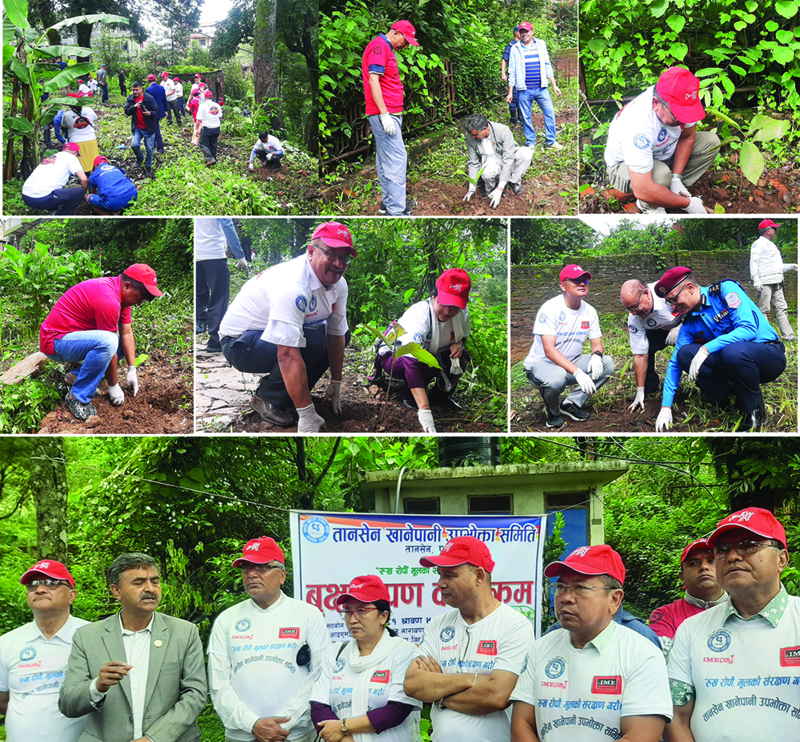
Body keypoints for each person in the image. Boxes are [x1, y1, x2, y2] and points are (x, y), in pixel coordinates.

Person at [510, 545, 672, 742]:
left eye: (580, 587)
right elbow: (522, 725)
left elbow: (639, 738)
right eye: (560, 587)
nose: (566, 598)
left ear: (614, 599)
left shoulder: (642, 654)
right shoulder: (540, 648)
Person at [665, 508, 800, 742]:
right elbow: (677, 716)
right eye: (723, 550)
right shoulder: (691, 630)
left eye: (749, 546)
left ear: (782, 560)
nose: (733, 556)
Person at [219, 222, 354, 432]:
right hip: (240, 343)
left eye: (344, 257)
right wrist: (307, 416)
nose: (338, 263)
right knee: (314, 341)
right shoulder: (293, 286)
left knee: (341, 335)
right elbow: (287, 354)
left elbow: (337, 334)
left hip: (269, 338)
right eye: (331, 254)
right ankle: (268, 398)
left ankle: (294, 396)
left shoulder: (339, 284)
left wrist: (336, 382)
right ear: (311, 251)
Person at [58, 553, 207, 742]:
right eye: (138, 583)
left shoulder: (185, 633)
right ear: (116, 591)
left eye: (155, 581)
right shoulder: (87, 637)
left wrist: (153, 739)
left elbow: (195, 695)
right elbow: (68, 703)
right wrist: (98, 686)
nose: (150, 589)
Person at [403, 537, 534, 742]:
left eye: (450, 575)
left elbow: (497, 696)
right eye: (439, 575)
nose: (440, 583)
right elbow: (412, 684)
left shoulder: (515, 625)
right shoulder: (438, 625)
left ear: (479, 576)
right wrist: (472, 679)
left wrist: (438, 694)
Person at [208, 537, 331, 742]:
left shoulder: (308, 614)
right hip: (242, 735)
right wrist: (253, 724)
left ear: (282, 575)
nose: (252, 574)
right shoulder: (226, 619)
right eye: (246, 568)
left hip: (293, 735)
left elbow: (320, 674)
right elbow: (218, 684)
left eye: (263, 567)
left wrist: (282, 725)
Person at [652, 266, 786, 433]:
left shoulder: (725, 291)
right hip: (734, 362)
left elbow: (748, 329)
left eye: (673, 300)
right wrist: (665, 407)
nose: (673, 307)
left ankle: (754, 412)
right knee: (684, 354)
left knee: (733, 352)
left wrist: (706, 349)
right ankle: (727, 399)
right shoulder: (689, 321)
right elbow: (674, 364)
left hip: (767, 355)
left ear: (690, 288)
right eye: (669, 302)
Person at [39, 264, 162, 421]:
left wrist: (132, 369)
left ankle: (74, 377)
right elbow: (108, 346)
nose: (138, 303)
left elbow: (127, 333)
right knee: (109, 342)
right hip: (56, 342)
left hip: (73, 339)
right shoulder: (108, 299)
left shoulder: (122, 297)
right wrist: (113, 385)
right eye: (139, 298)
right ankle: (76, 397)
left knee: (121, 345)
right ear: (127, 286)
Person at [310, 575, 422, 742]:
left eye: (361, 611)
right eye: (348, 612)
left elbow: (398, 709)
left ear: (383, 616)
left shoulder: (404, 652)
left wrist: (343, 726)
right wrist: (345, 740)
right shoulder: (334, 653)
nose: (352, 619)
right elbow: (319, 706)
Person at [604, 66, 720, 214]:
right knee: (660, 176)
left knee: (710, 142)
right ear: (655, 103)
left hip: (663, 153)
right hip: (624, 166)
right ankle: (649, 204)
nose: (683, 121)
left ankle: (669, 190)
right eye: (678, 116)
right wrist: (689, 204)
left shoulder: (682, 97)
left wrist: (676, 178)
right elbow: (643, 189)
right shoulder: (638, 124)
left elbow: (688, 137)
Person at [373, 268, 472, 433]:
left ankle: (439, 397)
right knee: (417, 361)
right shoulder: (420, 314)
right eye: (444, 304)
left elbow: (463, 337)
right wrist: (424, 411)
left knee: (462, 358)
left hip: (433, 353)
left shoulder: (462, 313)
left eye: (454, 307)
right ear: (434, 296)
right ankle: (409, 394)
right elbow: (410, 357)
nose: (448, 311)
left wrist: (458, 345)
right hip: (396, 357)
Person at [0, 560, 89, 742]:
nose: (40, 589)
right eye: (32, 585)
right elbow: (3, 701)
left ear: (72, 595)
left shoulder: (93, 637)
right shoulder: (7, 642)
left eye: (51, 583)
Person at [523, 264, 616, 429]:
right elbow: (549, 351)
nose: (582, 283)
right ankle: (553, 411)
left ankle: (571, 403)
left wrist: (596, 356)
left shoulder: (590, 311)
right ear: (562, 285)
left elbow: (597, 344)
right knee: (556, 377)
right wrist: (578, 372)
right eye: (576, 280)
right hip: (543, 365)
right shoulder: (550, 309)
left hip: (570, 362)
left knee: (607, 364)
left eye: (585, 280)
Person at [362, 20, 419, 216]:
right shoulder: (379, 47)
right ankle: (396, 210)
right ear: (396, 34)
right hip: (384, 114)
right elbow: (373, 80)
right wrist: (385, 115)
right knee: (397, 158)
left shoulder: (385, 47)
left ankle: (388, 203)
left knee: (386, 158)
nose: (406, 45)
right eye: (406, 40)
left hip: (388, 113)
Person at [648, 538, 726, 657]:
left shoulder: (745, 609)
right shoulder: (665, 616)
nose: (703, 567)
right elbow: (662, 660)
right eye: (693, 563)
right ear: (682, 577)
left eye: (711, 561)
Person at [620, 278, 682, 411]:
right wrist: (639, 391)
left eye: (635, 307)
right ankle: (649, 387)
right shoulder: (634, 318)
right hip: (661, 329)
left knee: (686, 352)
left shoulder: (667, 291)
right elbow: (640, 354)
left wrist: (682, 328)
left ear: (647, 293)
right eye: (629, 309)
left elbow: (696, 304)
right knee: (646, 346)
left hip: (687, 322)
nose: (634, 313)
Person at [506, 22, 564, 151]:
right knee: (526, 116)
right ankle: (530, 141)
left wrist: (554, 86)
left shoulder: (541, 44)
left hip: (541, 88)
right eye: (522, 32)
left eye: (527, 31)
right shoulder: (515, 49)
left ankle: (550, 142)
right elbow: (512, 71)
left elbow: (547, 64)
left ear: (532, 31)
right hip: (524, 89)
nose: (524, 34)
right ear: (519, 34)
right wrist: (510, 92)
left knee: (549, 113)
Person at [195, 218, 247, 354]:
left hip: (197, 256)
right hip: (214, 255)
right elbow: (227, 225)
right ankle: (215, 342)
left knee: (199, 298)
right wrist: (240, 255)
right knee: (219, 298)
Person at [462, 112, 532, 208]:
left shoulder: (502, 130)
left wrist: (500, 189)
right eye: (472, 135)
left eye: (476, 135)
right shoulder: (471, 136)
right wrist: (472, 187)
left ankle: (514, 182)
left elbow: (508, 158)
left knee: (526, 153)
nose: (473, 137)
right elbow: (473, 162)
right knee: (487, 173)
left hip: (507, 157)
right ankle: (489, 189)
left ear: (485, 129)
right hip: (490, 161)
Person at [750, 218, 797, 341]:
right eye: (774, 229)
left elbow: (775, 267)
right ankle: (766, 336)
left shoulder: (771, 245)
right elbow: (754, 262)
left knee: (782, 307)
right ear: (768, 230)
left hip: (777, 280)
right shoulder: (758, 244)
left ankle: (788, 335)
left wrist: (790, 266)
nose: (775, 231)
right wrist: (755, 278)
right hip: (765, 282)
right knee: (764, 309)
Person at [21, 144, 88, 215]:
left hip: (26, 197)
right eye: (77, 155)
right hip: (40, 199)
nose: (77, 156)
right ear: (75, 152)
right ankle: (61, 215)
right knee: (79, 191)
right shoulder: (71, 157)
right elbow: (84, 179)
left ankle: (51, 211)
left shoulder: (54, 157)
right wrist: (83, 194)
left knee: (60, 190)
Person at [54, 96, 99, 173]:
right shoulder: (89, 110)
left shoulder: (67, 115)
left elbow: (64, 126)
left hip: (76, 142)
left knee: (81, 164)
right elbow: (94, 118)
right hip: (91, 139)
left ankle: (84, 179)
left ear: (69, 105)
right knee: (93, 161)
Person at [123, 81, 159, 175]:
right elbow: (126, 111)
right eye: (133, 90)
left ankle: (148, 167)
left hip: (149, 127)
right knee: (134, 145)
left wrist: (150, 113)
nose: (135, 92)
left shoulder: (149, 98)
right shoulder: (130, 98)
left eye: (136, 90)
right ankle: (140, 158)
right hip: (137, 127)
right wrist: (133, 107)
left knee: (150, 149)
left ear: (141, 89)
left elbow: (157, 112)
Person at [501, 27, 521, 125]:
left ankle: (521, 117)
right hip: (514, 76)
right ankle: (514, 118)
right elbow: (504, 59)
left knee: (521, 96)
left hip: (522, 76)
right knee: (513, 96)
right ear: (517, 33)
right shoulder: (511, 46)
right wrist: (503, 73)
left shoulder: (522, 45)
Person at [197, 90, 223, 166]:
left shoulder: (202, 105)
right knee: (213, 144)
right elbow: (220, 118)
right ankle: (213, 160)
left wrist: (196, 129)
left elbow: (198, 120)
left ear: (205, 98)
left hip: (207, 128)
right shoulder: (217, 105)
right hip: (216, 128)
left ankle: (210, 158)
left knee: (202, 144)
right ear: (212, 97)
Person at [145, 73, 168, 154]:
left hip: (153, 113)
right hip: (160, 112)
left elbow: (147, 103)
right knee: (155, 128)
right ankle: (156, 145)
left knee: (155, 130)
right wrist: (166, 110)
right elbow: (164, 100)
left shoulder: (148, 90)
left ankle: (160, 148)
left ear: (148, 81)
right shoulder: (161, 88)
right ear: (155, 80)